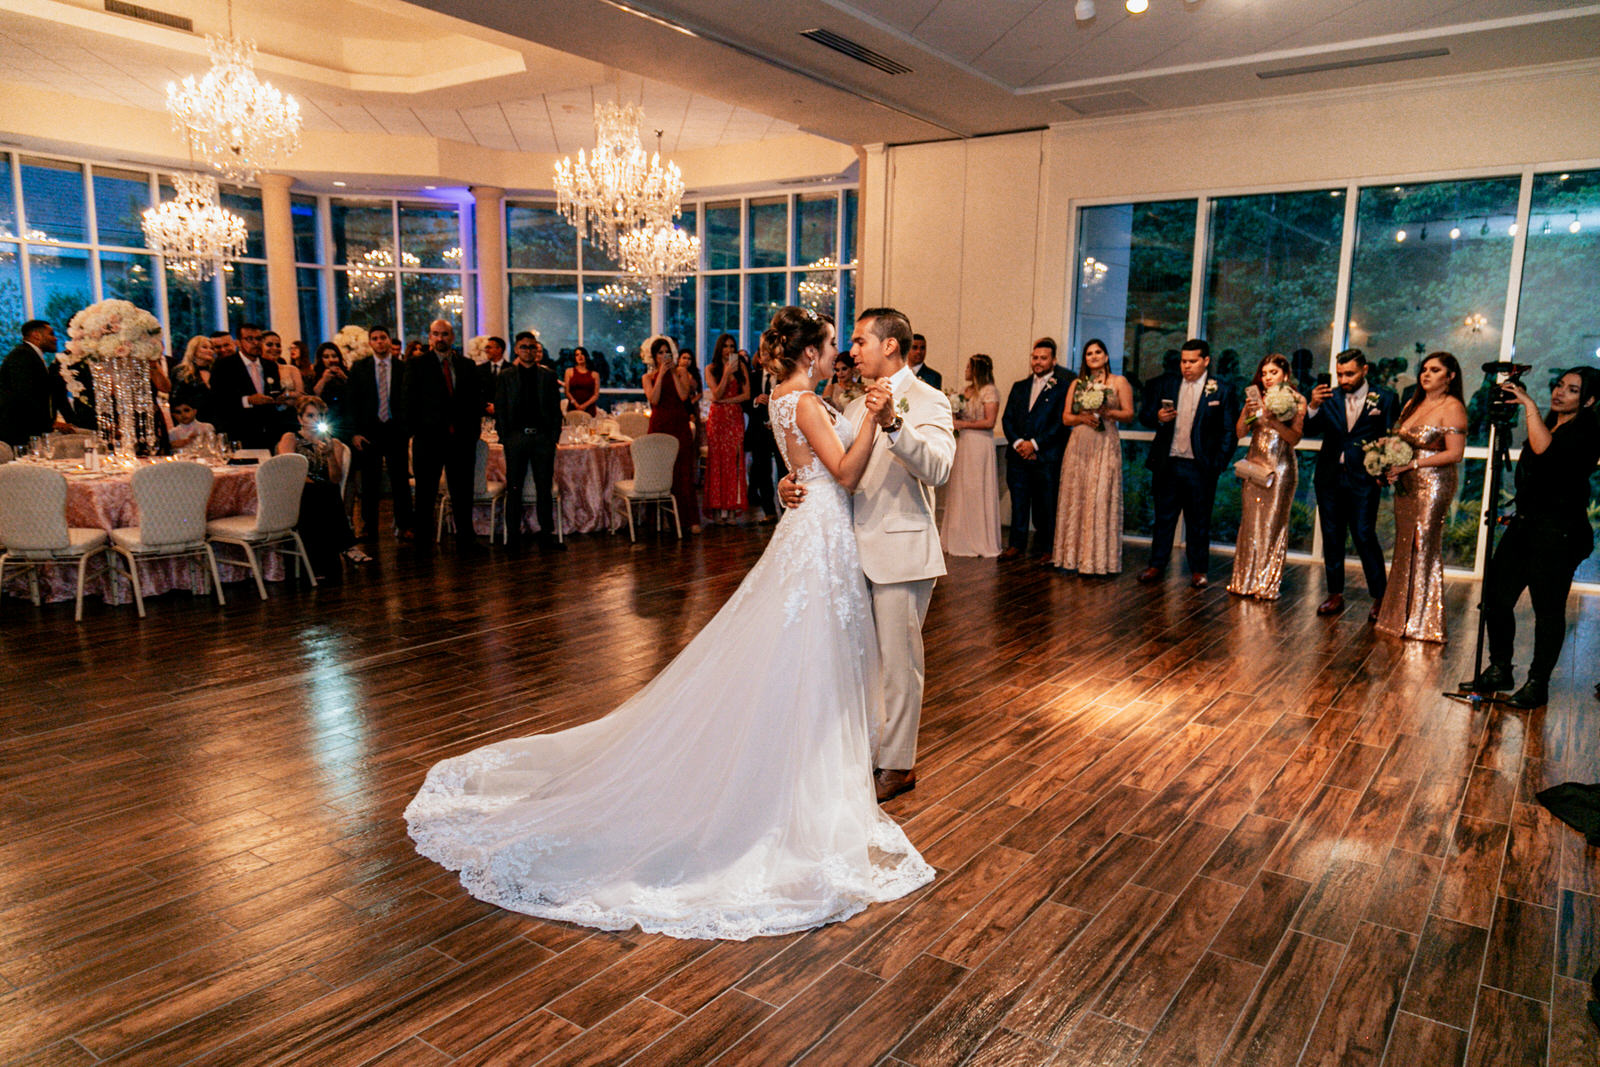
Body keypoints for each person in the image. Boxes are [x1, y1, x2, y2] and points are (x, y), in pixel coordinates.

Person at [405, 304, 933, 940]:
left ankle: (807, 762)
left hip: (813, 529)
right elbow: (845, 473)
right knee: (811, 651)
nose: (838, 354)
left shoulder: (780, 400)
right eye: (830, 346)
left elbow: (807, 470)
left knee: (801, 649)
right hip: (822, 533)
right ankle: (797, 778)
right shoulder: (810, 403)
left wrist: (795, 480)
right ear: (811, 355)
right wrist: (873, 421)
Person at [780, 307, 956, 803]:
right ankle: (860, 749)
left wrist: (895, 423)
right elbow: (831, 469)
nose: (851, 351)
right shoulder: (853, 405)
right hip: (844, 551)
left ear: (891, 346)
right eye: (850, 343)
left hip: (900, 551)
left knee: (900, 665)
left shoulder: (928, 399)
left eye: (860, 342)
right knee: (857, 661)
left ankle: (897, 765)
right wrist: (787, 485)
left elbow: (939, 468)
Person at [1467, 367, 1600, 708]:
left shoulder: (1588, 430)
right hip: (1526, 525)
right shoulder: (1549, 423)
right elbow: (1532, 472)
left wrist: (1529, 405)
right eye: (1558, 385)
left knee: (1548, 610)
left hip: (1559, 533)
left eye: (1572, 390)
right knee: (1496, 598)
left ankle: (1537, 684)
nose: (1559, 392)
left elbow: (1546, 454)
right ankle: (1500, 668)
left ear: (1589, 400)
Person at [1374, 352, 1468, 643]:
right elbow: (1400, 442)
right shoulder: (1412, 403)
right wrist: (1388, 460)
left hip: (1434, 484)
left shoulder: (1453, 407)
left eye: (1435, 370)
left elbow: (1455, 453)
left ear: (1450, 377)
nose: (1426, 374)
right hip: (1406, 483)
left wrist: (1412, 464)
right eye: (1424, 369)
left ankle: (1423, 622)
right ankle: (1397, 616)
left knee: (1423, 543)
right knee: (1404, 546)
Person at [1137, 338, 1241, 588]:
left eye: (1193, 361)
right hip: (1168, 463)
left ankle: (1198, 570)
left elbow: (1229, 431)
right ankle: (1156, 565)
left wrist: (1217, 464)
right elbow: (1144, 415)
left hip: (1201, 466)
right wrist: (1158, 418)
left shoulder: (1222, 390)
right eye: (1184, 361)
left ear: (1206, 361)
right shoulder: (1167, 384)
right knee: (1163, 518)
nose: (1187, 366)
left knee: (1199, 521)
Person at [1306, 348, 1397, 618]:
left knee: (1364, 534)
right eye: (1340, 374)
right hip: (1329, 478)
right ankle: (1335, 595)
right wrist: (1312, 405)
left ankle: (1380, 597)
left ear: (1365, 370)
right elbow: (1309, 430)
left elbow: (1391, 437)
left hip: (1365, 479)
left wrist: (1383, 473)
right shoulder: (1328, 397)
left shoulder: (1386, 397)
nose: (1344, 379)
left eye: (1350, 374)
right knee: (1332, 536)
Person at [1227, 353, 1306, 600]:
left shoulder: (1296, 400)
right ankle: (1243, 581)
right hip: (1255, 466)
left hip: (1280, 469)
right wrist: (1248, 413)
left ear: (1285, 374)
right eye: (1264, 373)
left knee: (1273, 525)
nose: (1268, 377)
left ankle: (1266, 584)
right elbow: (1240, 432)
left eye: (1273, 373)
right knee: (1250, 524)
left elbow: (1294, 438)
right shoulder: (1255, 397)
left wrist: (1271, 420)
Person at [1052, 338, 1133, 575]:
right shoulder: (1077, 383)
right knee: (1077, 496)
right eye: (1089, 353)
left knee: (1099, 497)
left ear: (1106, 356)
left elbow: (1129, 413)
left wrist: (1109, 412)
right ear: (1085, 359)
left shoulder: (1119, 382)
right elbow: (1066, 417)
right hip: (1079, 443)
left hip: (1105, 441)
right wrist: (1081, 418)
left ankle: (1098, 560)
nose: (1094, 356)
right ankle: (1072, 558)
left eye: (1098, 352)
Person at [405, 318, 484, 552]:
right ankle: (423, 542)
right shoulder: (416, 365)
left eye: (445, 334)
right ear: (430, 337)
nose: (440, 338)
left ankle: (465, 539)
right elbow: (408, 401)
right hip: (428, 440)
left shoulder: (467, 366)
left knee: (462, 492)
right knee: (425, 493)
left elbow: (475, 401)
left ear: (453, 337)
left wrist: (472, 432)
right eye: (435, 334)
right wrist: (416, 431)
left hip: (461, 440)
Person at [275, 395, 366, 575]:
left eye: (320, 416)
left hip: (323, 496)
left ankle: (335, 554)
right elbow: (287, 467)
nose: (316, 420)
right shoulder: (291, 438)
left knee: (326, 489)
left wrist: (330, 455)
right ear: (300, 418)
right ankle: (347, 545)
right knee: (323, 490)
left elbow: (335, 478)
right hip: (296, 491)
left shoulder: (334, 443)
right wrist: (310, 481)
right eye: (310, 416)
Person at [1000, 338, 1070, 563]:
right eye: (1035, 357)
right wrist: (1020, 443)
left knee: (1045, 506)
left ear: (1053, 360)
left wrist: (1035, 445)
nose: (1038, 362)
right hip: (1018, 456)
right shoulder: (1019, 386)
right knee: (1019, 503)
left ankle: (1047, 548)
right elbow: (1007, 418)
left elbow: (1060, 424)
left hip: (1045, 456)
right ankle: (1016, 545)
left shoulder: (1062, 388)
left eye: (1043, 358)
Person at [496, 327, 565, 552]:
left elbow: (555, 409)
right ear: (516, 349)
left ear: (537, 350)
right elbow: (501, 408)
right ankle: (512, 537)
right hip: (516, 438)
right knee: (513, 488)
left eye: (532, 347)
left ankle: (547, 535)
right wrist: (505, 437)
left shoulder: (548, 375)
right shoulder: (506, 376)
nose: (528, 351)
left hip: (542, 439)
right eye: (524, 347)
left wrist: (553, 437)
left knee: (544, 488)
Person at [347, 324, 413, 544]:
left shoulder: (403, 367)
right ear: (370, 342)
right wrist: (355, 433)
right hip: (369, 432)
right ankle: (368, 527)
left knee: (400, 481)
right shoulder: (359, 368)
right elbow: (353, 402)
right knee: (369, 482)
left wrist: (407, 429)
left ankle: (404, 525)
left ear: (389, 340)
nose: (379, 342)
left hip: (396, 431)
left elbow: (409, 401)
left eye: (383, 337)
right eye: (375, 338)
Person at [940, 354, 1002, 558]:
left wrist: (962, 424)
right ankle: (958, 537)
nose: (966, 370)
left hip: (979, 443)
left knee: (976, 487)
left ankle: (978, 538)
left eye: (969, 367)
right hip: (963, 443)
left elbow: (989, 422)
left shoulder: (989, 391)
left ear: (977, 370)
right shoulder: (965, 391)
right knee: (961, 488)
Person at [643, 334, 701, 533]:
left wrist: (674, 374)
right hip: (659, 424)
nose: (664, 356)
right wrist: (660, 375)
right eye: (660, 353)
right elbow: (654, 399)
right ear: (654, 356)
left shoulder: (682, 371)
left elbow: (684, 395)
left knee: (683, 471)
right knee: (660, 469)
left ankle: (689, 520)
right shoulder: (647, 377)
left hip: (679, 422)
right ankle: (660, 518)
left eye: (666, 352)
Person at [208, 322, 289, 449]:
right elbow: (218, 400)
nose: (255, 343)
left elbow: (274, 392)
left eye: (258, 339)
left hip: (269, 433)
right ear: (238, 343)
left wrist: (280, 400)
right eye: (249, 339)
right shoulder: (224, 366)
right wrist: (248, 400)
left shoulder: (270, 366)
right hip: (239, 431)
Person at [0, 319, 74, 447]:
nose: (55, 339)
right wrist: (49, 423)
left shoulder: (30, 355)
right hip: (18, 432)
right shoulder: (22, 356)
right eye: (51, 334)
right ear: (36, 335)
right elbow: (24, 395)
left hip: (24, 430)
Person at [705, 335, 750, 523]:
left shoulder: (741, 368)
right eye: (725, 346)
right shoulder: (711, 369)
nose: (729, 350)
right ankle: (716, 509)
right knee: (716, 462)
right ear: (719, 348)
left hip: (734, 418)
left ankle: (732, 509)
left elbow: (747, 395)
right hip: (717, 419)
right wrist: (725, 373)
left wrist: (725, 401)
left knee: (734, 462)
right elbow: (716, 393)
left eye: (732, 346)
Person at [748, 356, 779, 523]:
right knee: (762, 471)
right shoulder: (753, 376)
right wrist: (755, 400)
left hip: (780, 431)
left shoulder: (784, 377)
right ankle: (769, 512)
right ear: (759, 359)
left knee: (783, 471)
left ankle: (787, 511)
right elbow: (745, 400)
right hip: (759, 431)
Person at [310, 343, 351, 440]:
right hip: (325, 419)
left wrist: (344, 378)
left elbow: (356, 393)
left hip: (345, 419)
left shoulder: (347, 374)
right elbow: (313, 397)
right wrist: (323, 380)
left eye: (334, 356)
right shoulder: (314, 375)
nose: (331, 360)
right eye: (326, 357)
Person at [475, 336, 510, 414]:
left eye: (489, 347)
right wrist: (485, 406)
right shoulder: (479, 369)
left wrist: (498, 407)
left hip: (506, 413)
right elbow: (475, 391)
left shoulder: (511, 369)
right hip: (485, 414)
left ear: (499, 349)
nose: (486, 350)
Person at [263, 331, 301, 399]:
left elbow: (300, 394)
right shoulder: (255, 370)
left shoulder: (292, 369)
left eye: (278, 345)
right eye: (269, 344)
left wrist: (286, 395)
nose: (275, 348)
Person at [564, 346, 599, 416]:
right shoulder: (569, 371)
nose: (580, 356)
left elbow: (596, 394)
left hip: (589, 408)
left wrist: (584, 405)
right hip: (573, 407)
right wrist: (576, 404)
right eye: (577, 355)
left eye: (582, 354)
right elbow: (567, 392)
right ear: (574, 358)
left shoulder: (594, 374)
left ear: (586, 356)